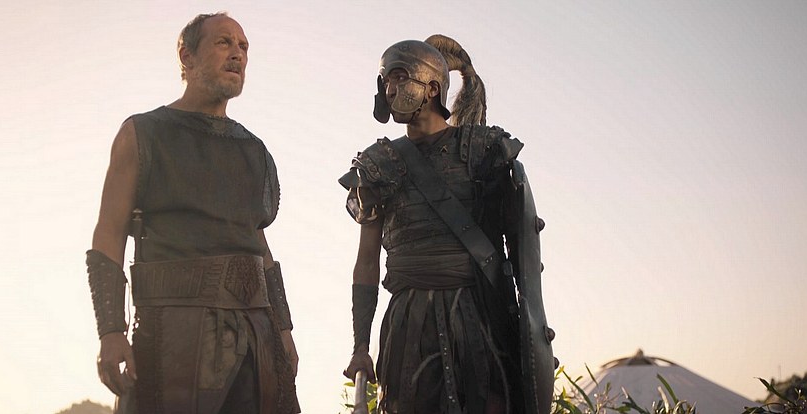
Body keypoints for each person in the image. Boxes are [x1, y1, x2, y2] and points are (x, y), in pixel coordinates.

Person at [87, 12, 299, 413]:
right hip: (173, 332)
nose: (237, 53)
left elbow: (258, 242)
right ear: (187, 56)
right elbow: (109, 232)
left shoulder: (254, 150)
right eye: (224, 42)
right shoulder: (143, 133)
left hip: (256, 333)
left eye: (244, 46)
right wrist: (111, 330)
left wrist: (283, 329)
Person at [341, 35, 552, 414]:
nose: (389, 90)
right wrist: (360, 347)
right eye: (385, 81)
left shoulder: (484, 151)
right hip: (409, 325)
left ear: (432, 87)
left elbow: (520, 250)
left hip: (480, 319)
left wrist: (527, 338)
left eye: (399, 77)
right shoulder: (378, 166)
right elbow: (366, 261)